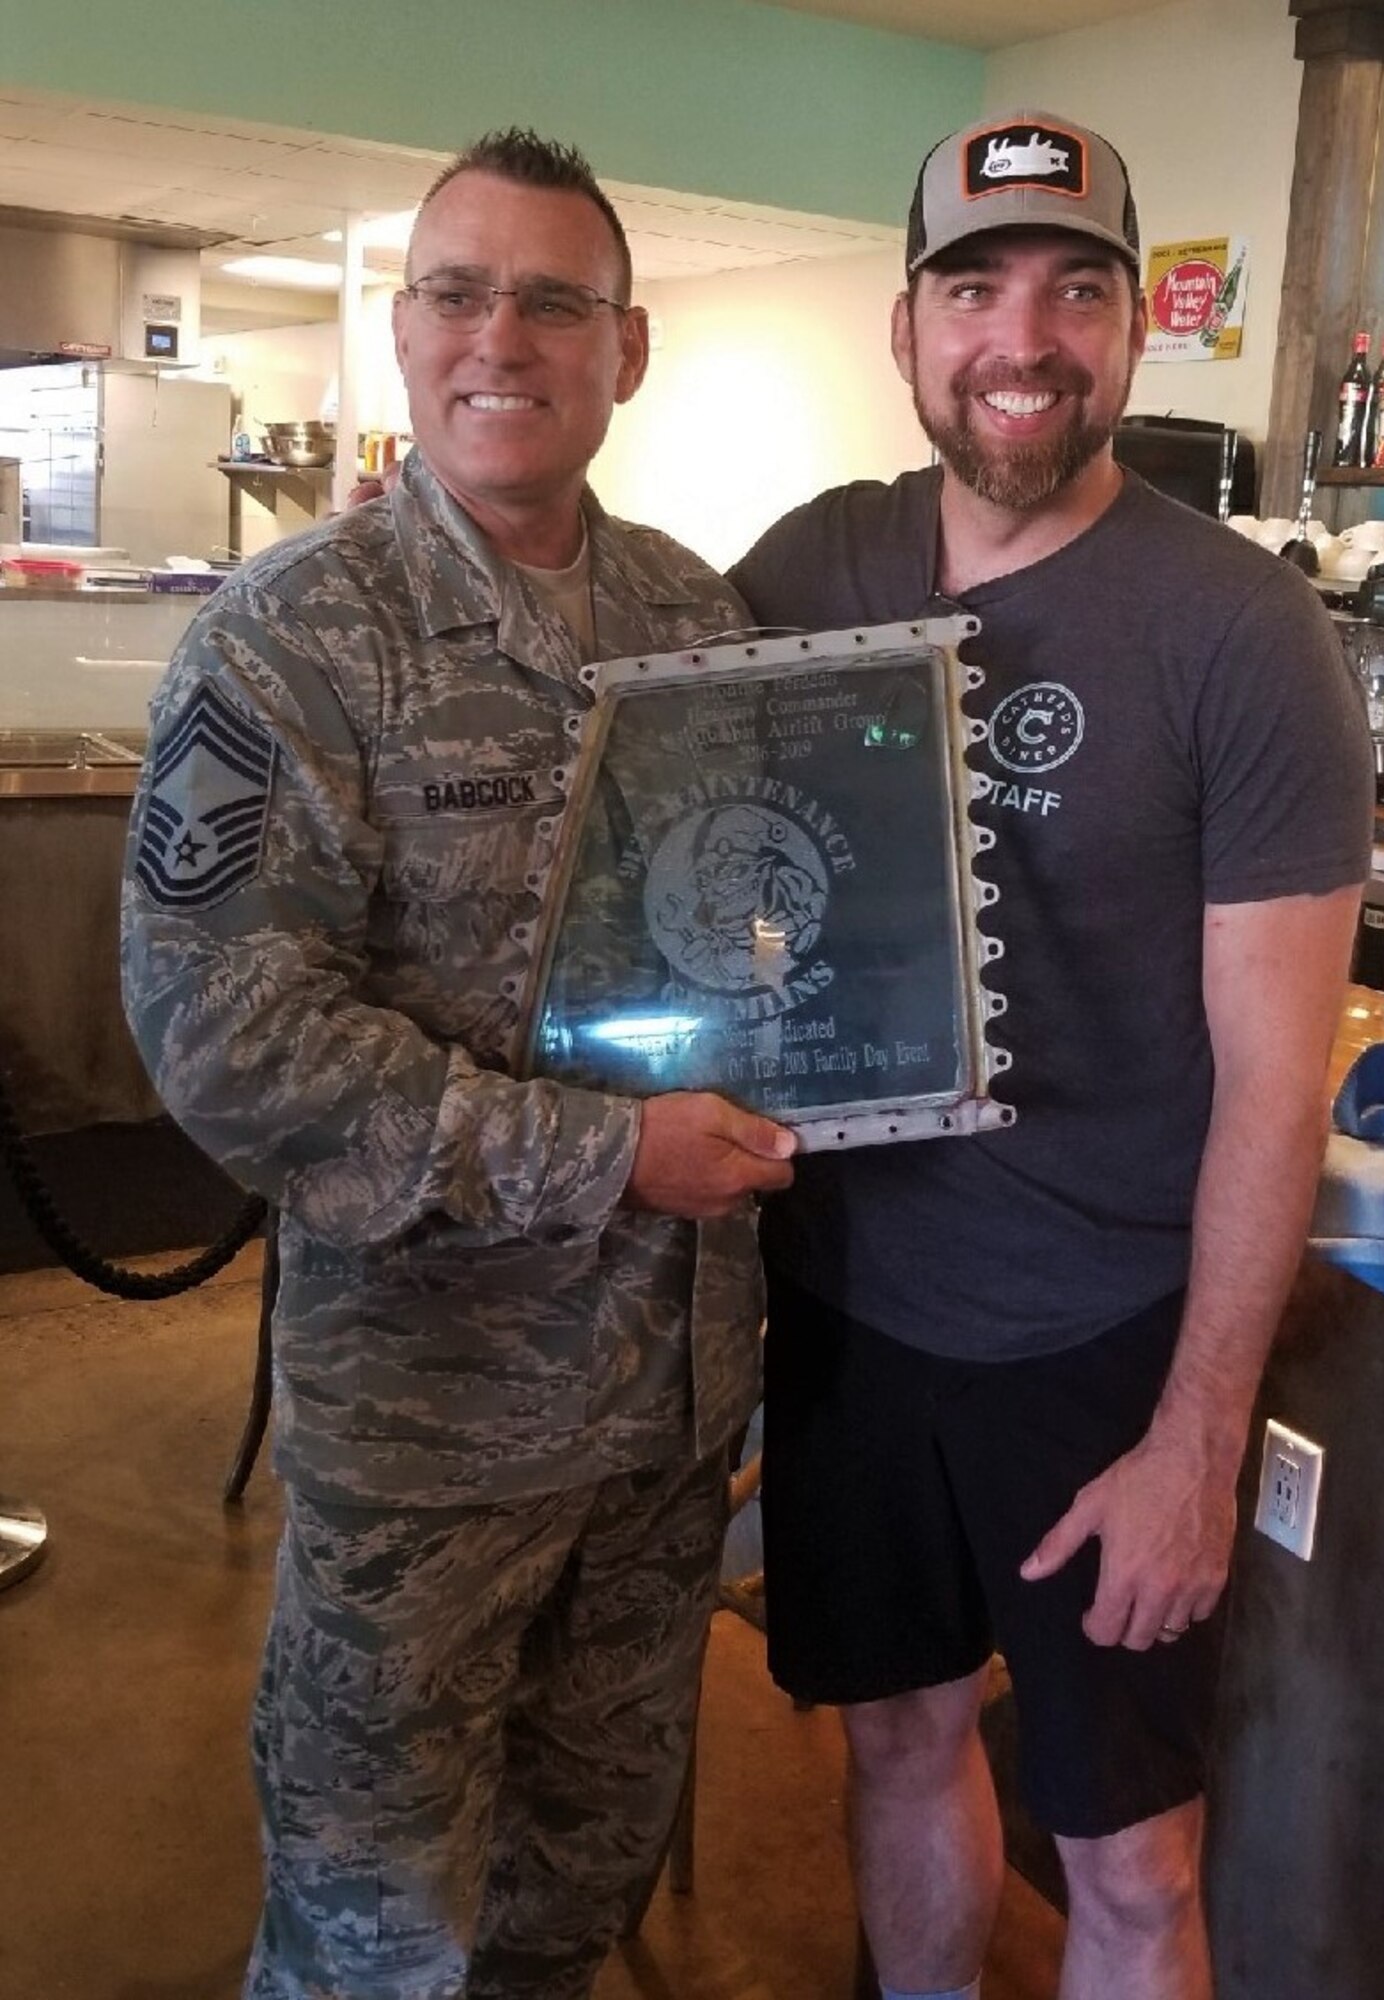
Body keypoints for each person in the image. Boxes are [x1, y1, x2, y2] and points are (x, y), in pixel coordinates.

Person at [121, 128, 795, 2000]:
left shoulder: (697, 621)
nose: (503, 333)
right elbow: (231, 1038)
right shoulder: (286, 644)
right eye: (457, 290)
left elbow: (753, 933)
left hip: (667, 1423)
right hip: (432, 1440)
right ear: (405, 330)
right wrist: (607, 1158)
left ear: (625, 349)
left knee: (568, 1902)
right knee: (375, 1936)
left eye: (554, 300)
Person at [729, 110, 1372, 2000]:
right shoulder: (804, 573)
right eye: (977, 285)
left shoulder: (1244, 636)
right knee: (904, 1740)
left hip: (1103, 1341)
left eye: (1077, 288)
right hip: (850, 1307)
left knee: (1133, 1865)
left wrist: (1200, 1437)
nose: (1026, 335)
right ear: (909, 327)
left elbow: (1279, 1083)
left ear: (1133, 329)